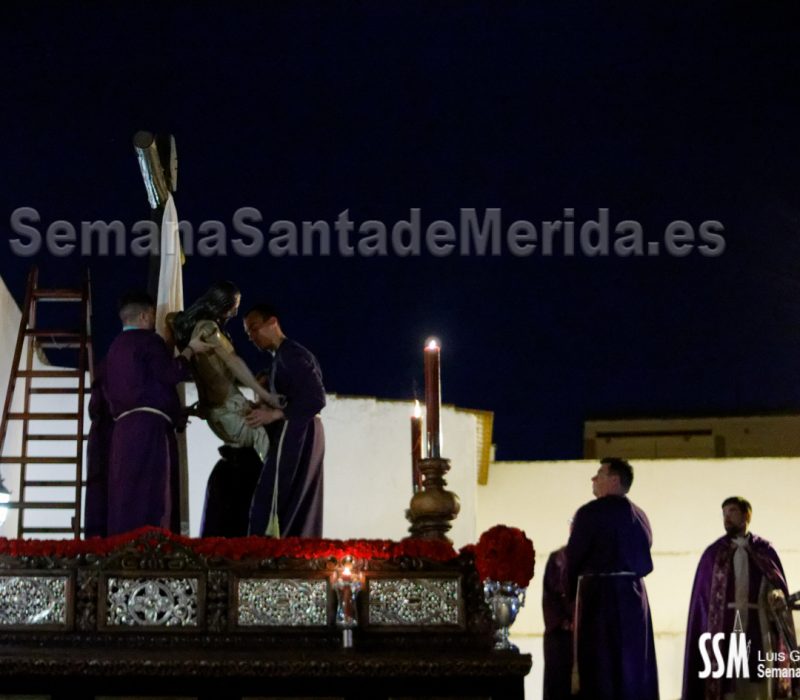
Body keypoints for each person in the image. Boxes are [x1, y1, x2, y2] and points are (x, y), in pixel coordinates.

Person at [170, 281, 284, 537]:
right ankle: (274, 527)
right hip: (229, 409)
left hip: (215, 412)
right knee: (271, 457)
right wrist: (266, 395)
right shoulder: (209, 330)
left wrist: (197, 409)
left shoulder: (192, 331)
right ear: (222, 304)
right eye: (234, 306)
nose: (234, 312)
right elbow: (233, 363)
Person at [103, 291, 211, 536]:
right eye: (153, 315)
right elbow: (171, 374)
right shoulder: (149, 341)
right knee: (153, 494)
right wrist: (190, 350)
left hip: (122, 432)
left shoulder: (114, 349)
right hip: (150, 430)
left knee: (126, 497)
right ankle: (152, 551)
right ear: (144, 316)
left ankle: (122, 551)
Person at [682, 497, 796, 700]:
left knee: (759, 686)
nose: (726, 517)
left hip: (759, 628)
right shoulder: (713, 554)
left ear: (746, 516)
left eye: (732, 511)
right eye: (724, 513)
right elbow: (702, 602)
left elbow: (775, 587)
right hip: (725, 632)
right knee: (729, 685)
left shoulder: (765, 551)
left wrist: (776, 597)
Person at [566, 457, 659, 700]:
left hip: (599, 600)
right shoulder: (640, 516)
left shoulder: (588, 514)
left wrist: (570, 599)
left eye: (599, 474)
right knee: (633, 668)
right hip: (634, 599)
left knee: (601, 669)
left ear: (615, 480)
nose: (593, 479)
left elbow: (573, 558)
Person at [243, 303, 325, 537]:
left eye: (254, 329)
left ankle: (268, 552)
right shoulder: (282, 357)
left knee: (272, 500)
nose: (251, 337)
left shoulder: (292, 354)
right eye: (248, 334)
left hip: (297, 432)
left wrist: (275, 415)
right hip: (301, 430)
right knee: (294, 501)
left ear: (273, 323)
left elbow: (315, 398)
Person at [542, 539, 573, 700]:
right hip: (561, 640)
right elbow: (550, 602)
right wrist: (567, 623)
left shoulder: (597, 560)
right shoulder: (558, 560)